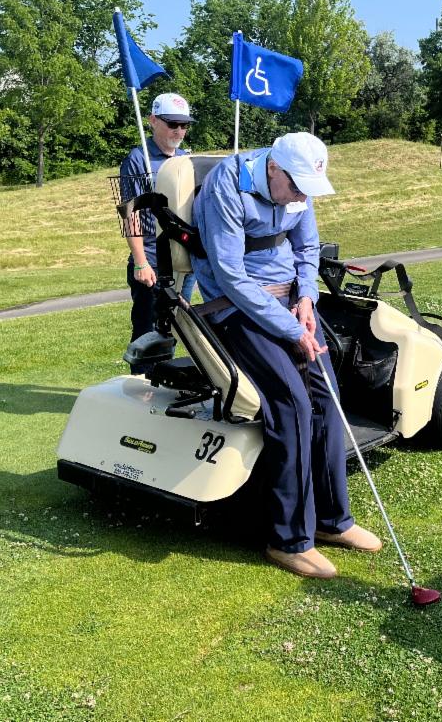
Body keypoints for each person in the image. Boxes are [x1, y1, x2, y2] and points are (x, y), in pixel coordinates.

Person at [191, 131, 382, 578]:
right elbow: (231, 276)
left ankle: (333, 521)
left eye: (306, 190)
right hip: (233, 308)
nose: (300, 196)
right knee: (291, 403)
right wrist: (291, 329)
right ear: (273, 168)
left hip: (289, 304)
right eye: (295, 186)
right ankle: (289, 539)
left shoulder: (297, 187)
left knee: (327, 395)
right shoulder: (227, 185)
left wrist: (307, 300)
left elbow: (307, 248)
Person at [120, 92, 196, 373]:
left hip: (182, 258)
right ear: (152, 121)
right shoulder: (137, 158)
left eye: (184, 125)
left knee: (173, 326)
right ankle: (139, 391)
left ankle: (161, 384)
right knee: (147, 328)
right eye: (172, 124)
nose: (179, 131)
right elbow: (131, 214)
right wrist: (140, 261)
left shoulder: (186, 159)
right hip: (151, 258)